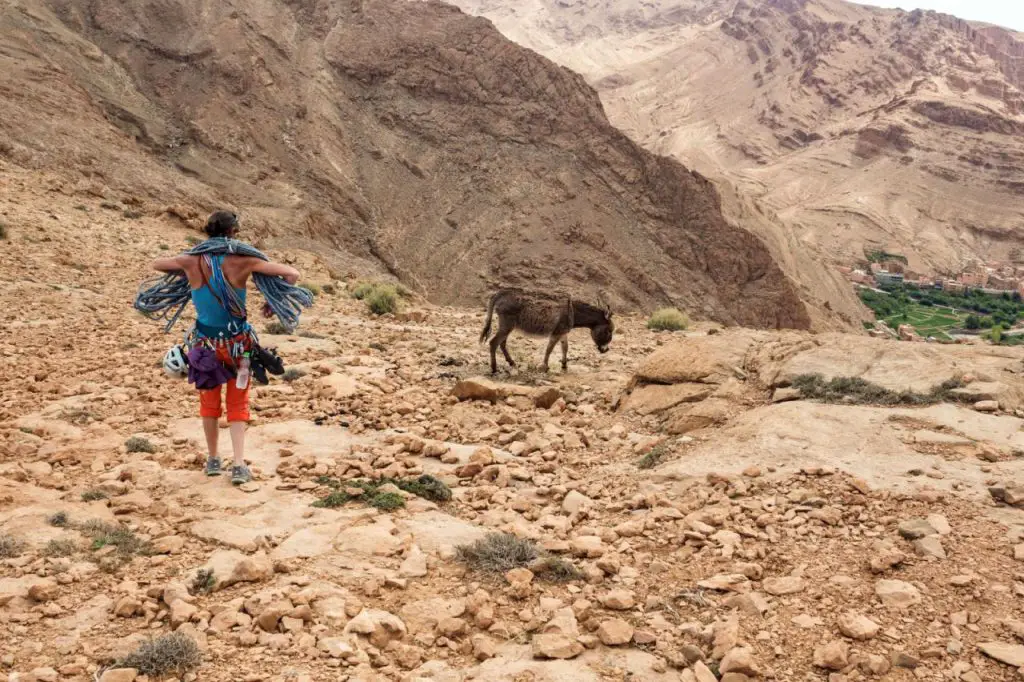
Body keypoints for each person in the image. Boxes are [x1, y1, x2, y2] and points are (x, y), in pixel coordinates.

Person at [149, 211, 300, 484]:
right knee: (238, 402)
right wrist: (271, 301)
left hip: (204, 348)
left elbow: (156, 263)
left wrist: (190, 263)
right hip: (239, 347)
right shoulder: (243, 260)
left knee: (209, 403)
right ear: (234, 233)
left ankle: (213, 459)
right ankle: (239, 465)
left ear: (208, 231)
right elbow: (292, 273)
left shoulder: (190, 261)